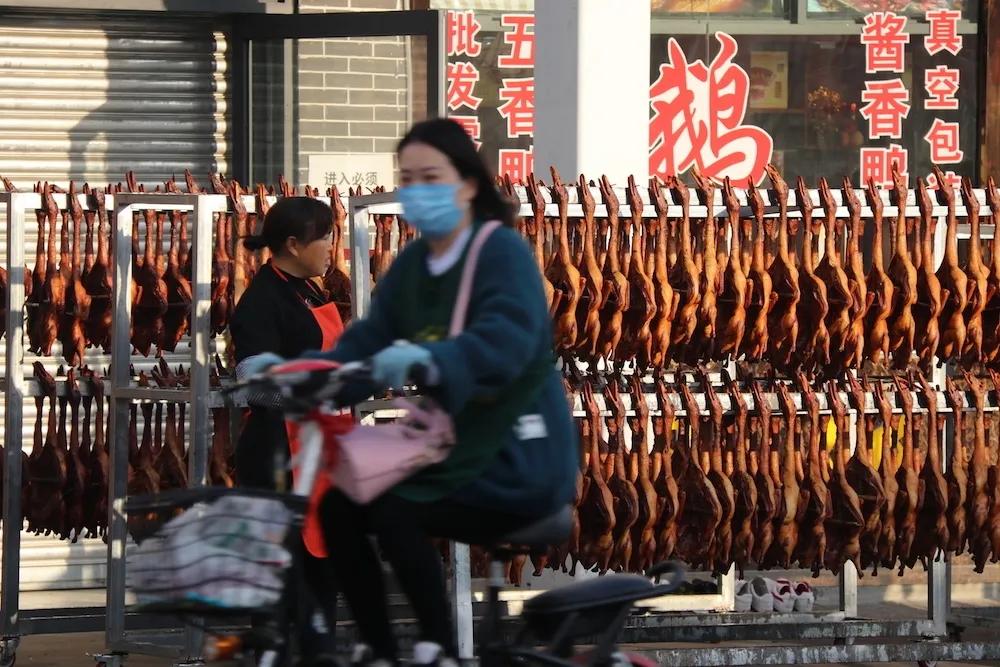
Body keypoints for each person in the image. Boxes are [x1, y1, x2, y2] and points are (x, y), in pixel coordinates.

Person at [314, 118, 577, 666]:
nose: (417, 191)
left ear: (469, 184)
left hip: (516, 456)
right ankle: (379, 649)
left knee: (394, 506)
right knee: (338, 504)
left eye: (431, 178)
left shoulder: (500, 253)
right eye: (407, 179)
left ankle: (439, 648)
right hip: (456, 452)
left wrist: (428, 358)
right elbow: (370, 337)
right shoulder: (414, 264)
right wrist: (311, 374)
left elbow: (505, 341)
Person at [229, 196, 344, 664]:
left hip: (319, 456)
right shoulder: (261, 301)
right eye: (326, 238)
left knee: (321, 579)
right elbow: (255, 388)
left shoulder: (308, 291)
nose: (332, 247)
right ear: (294, 245)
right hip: (279, 459)